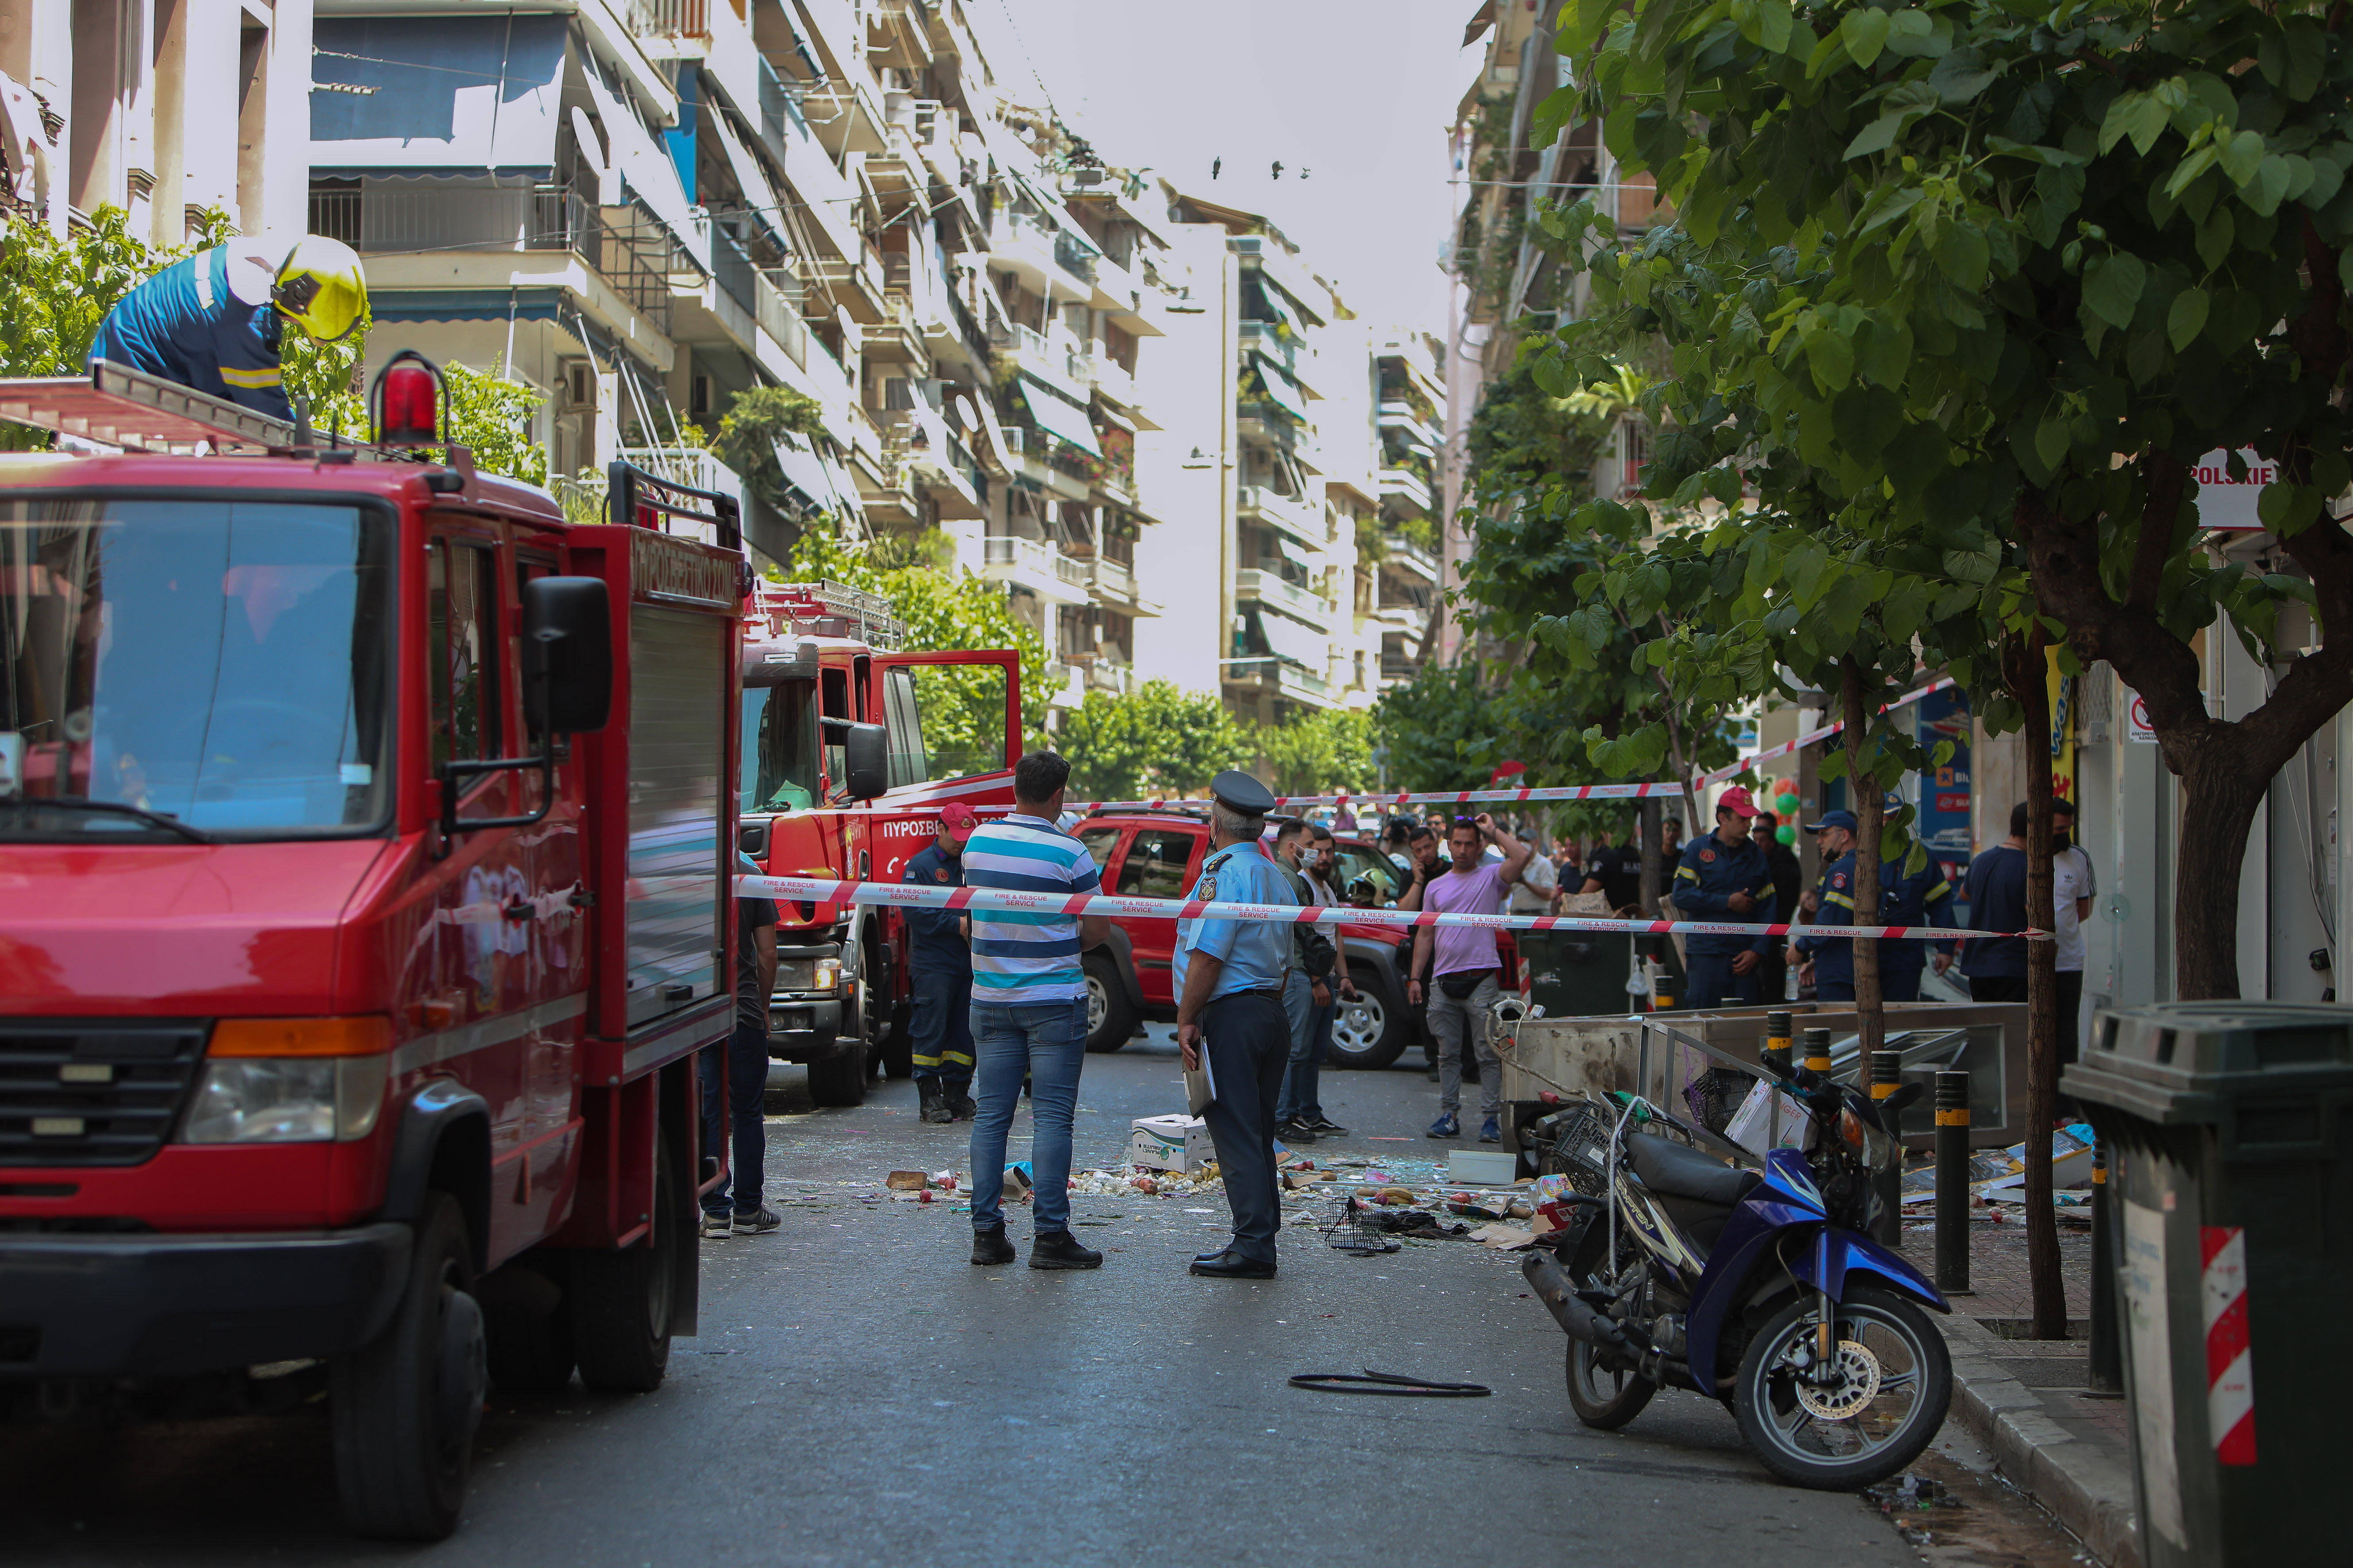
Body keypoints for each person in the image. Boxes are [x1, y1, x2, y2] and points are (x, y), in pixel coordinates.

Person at [961, 752, 1110, 1271]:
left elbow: (972, 917)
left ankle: (986, 1233)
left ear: (1016, 789)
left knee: (991, 1118)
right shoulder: (1071, 852)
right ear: (1057, 796)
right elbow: (1096, 930)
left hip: (991, 999)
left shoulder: (977, 842)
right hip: (1053, 1002)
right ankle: (1049, 1236)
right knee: (1051, 1118)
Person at [1174, 771, 1297, 1279]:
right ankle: (1259, 1234)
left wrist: (1185, 1016)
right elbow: (1286, 959)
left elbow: (1207, 954)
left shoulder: (1221, 872)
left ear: (1214, 822)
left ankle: (1252, 1245)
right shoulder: (1275, 874)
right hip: (1269, 1009)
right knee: (1258, 1127)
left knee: (1236, 1128)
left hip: (1233, 1014)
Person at [89, 234, 367, 420]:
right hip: (132, 371)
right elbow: (265, 412)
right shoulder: (249, 316)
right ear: (298, 299)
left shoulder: (254, 261)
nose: (291, 324)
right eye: (298, 322)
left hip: (137, 353)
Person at [1406, 813, 1534, 1142]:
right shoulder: (1435, 886)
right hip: (1443, 980)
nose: (1462, 850)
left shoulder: (1492, 877)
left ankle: (1491, 1120)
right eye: (1457, 843)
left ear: (1479, 847)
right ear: (1448, 845)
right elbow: (1424, 934)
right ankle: (1449, 1116)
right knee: (1446, 1054)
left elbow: (1521, 856)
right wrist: (1415, 978)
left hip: (1480, 978)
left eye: (1469, 844)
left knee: (1487, 1054)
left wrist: (1494, 830)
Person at [1791, 809, 1958, 1003]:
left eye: (1894, 818)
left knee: (1898, 1021)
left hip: (1903, 961)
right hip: (1860, 960)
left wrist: (1946, 947)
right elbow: (1837, 917)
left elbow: (1940, 903)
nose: (1887, 824)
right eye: (1883, 818)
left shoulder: (1919, 856)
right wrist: (1819, 957)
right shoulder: (1856, 858)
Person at [703, 846, 781, 1238]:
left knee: (708, 1112)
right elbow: (768, 953)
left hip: (696, 1017)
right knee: (747, 1113)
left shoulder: (682, 865)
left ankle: (715, 1210)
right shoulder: (750, 872)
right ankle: (749, 1209)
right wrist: (763, 1007)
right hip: (744, 1014)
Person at [1271, 820, 1355, 1143]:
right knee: (1293, 1050)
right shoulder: (1290, 879)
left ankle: (1304, 1114)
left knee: (1307, 1052)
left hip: (1312, 974)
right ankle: (1283, 1117)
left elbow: (1332, 935)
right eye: (1311, 846)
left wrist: (1338, 976)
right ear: (1294, 847)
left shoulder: (1311, 883)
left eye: (1324, 849)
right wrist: (1317, 978)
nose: (1317, 853)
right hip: (1300, 974)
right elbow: (1300, 934)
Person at [902, 802, 978, 1124]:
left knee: (965, 1035)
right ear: (940, 829)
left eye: (966, 835)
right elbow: (914, 912)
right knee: (930, 1032)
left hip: (969, 965)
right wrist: (957, 925)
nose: (961, 842)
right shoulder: (920, 867)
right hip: (934, 966)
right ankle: (929, 1098)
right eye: (956, 835)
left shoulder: (973, 865)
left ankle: (956, 1095)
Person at [1670, 787, 1777, 1009]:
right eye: (1742, 818)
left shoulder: (1756, 855)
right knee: (1703, 1022)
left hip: (1743, 957)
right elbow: (1681, 896)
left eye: (1750, 819)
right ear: (1723, 818)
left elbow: (1769, 907)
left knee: (1742, 1025)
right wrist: (1726, 901)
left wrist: (1758, 950)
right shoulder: (1698, 850)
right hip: (1706, 954)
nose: (1749, 825)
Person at [1959, 802, 2032, 1003]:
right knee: (2013, 1030)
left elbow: (1964, 894)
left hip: (1980, 965)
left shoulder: (1981, 861)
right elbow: (2035, 918)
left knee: (1985, 1030)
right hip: (2014, 966)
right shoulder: (2029, 867)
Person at [2051, 798, 2096, 1069]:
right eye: (2057, 830)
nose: (2063, 836)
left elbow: (2084, 907)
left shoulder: (2079, 858)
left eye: (2067, 829)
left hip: (2068, 960)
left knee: (2066, 1033)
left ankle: (2065, 1105)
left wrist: (2064, 927)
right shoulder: (2024, 854)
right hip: (2027, 961)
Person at [1754, 809, 1804, 1003]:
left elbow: (1786, 898)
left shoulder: (1784, 861)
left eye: (1763, 837)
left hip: (1774, 930)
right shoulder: (1754, 859)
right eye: (1755, 837)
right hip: (1756, 931)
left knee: (1772, 980)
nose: (1759, 844)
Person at [1579, 819, 1643, 911]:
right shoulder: (1639, 858)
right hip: (1635, 917)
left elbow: (1587, 892)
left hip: (1611, 920)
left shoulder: (1605, 858)